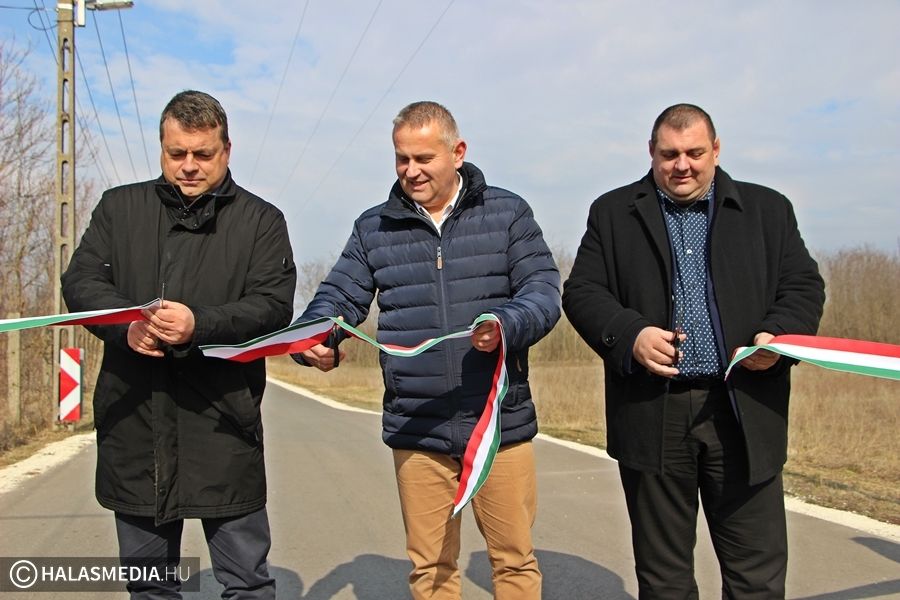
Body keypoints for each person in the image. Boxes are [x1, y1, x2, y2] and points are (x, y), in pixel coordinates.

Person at [293, 101, 560, 599]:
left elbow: (543, 291)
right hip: (417, 426)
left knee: (514, 562)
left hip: (498, 426)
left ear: (457, 152)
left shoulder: (507, 213)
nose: (411, 171)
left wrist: (507, 323)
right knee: (431, 569)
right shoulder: (374, 228)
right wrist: (314, 339)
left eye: (423, 158)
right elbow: (337, 297)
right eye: (402, 158)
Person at [563, 103, 825, 599]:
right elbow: (582, 292)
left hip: (743, 407)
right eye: (669, 154)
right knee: (664, 579)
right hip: (652, 410)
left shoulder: (768, 210)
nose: (682, 165)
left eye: (694, 153)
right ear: (651, 152)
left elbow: (802, 287)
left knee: (756, 576)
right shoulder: (613, 213)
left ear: (716, 150)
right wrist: (631, 334)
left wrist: (777, 336)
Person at [61, 90, 296, 599]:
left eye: (203, 154)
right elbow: (81, 282)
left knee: (247, 585)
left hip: (223, 425)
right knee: (149, 588)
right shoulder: (119, 208)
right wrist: (126, 326)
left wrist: (200, 325)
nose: (189, 166)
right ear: (162, 149)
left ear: (226, 150)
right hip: (135, 425)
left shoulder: (261, 221)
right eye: (177, 153)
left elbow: (273, 306)